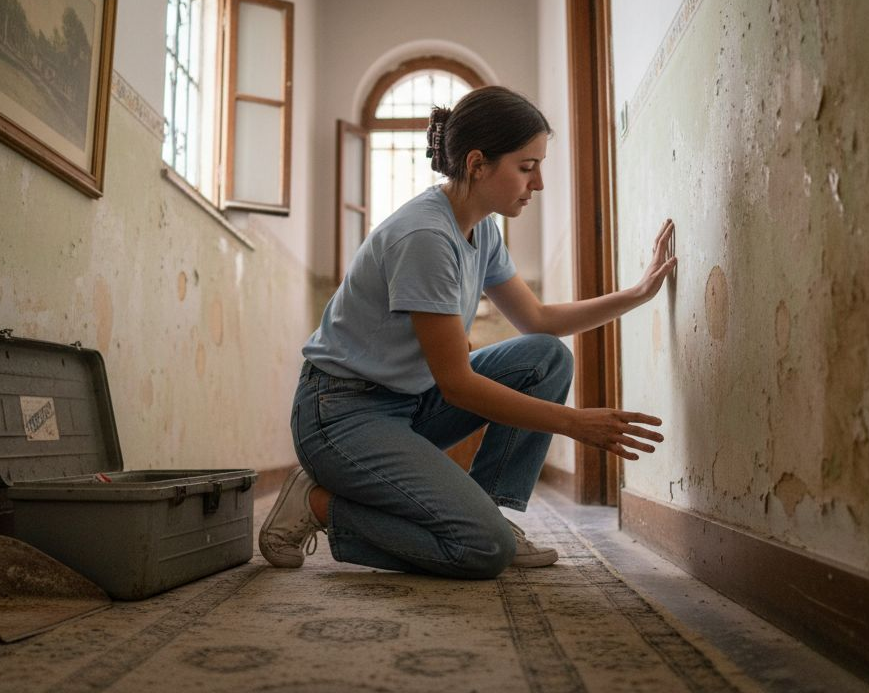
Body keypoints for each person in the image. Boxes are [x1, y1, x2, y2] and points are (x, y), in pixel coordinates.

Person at [259, 85, 677, 578]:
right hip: (341, 413)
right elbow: (457, 384)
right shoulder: (425, 238)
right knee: (482, 550)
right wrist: (573, 423)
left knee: (545, 356)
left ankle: (487, 510)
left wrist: (636, 295)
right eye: (527, 167)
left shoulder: (483, 229)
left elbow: (537, 321)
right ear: (478, 164)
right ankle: (317, 503)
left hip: (410, 403)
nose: (537, 183)